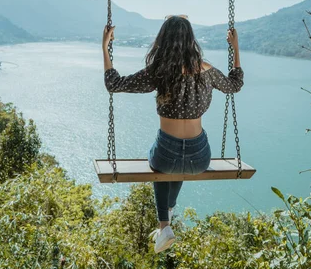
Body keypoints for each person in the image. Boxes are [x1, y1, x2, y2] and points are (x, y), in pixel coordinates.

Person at [102, 15, 243, 254]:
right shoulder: (207, 71)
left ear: (163, 40)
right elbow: (235, 84)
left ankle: (164, 225)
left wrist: (105, 47)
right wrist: (236, 48)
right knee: (176, 161)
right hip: (200, 157)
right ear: (191, 40)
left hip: (166, 155)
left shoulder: (160, 72)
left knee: (161, 160)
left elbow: (114, 84)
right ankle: (167, 215)